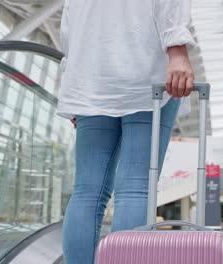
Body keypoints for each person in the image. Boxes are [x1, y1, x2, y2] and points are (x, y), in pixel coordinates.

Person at [56, 0, 195, 263]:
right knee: (136, 187)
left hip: (90, 78)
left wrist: (73, 91)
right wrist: (177, 51)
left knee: (87, 191)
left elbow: (69, 27)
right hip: (144, 71)